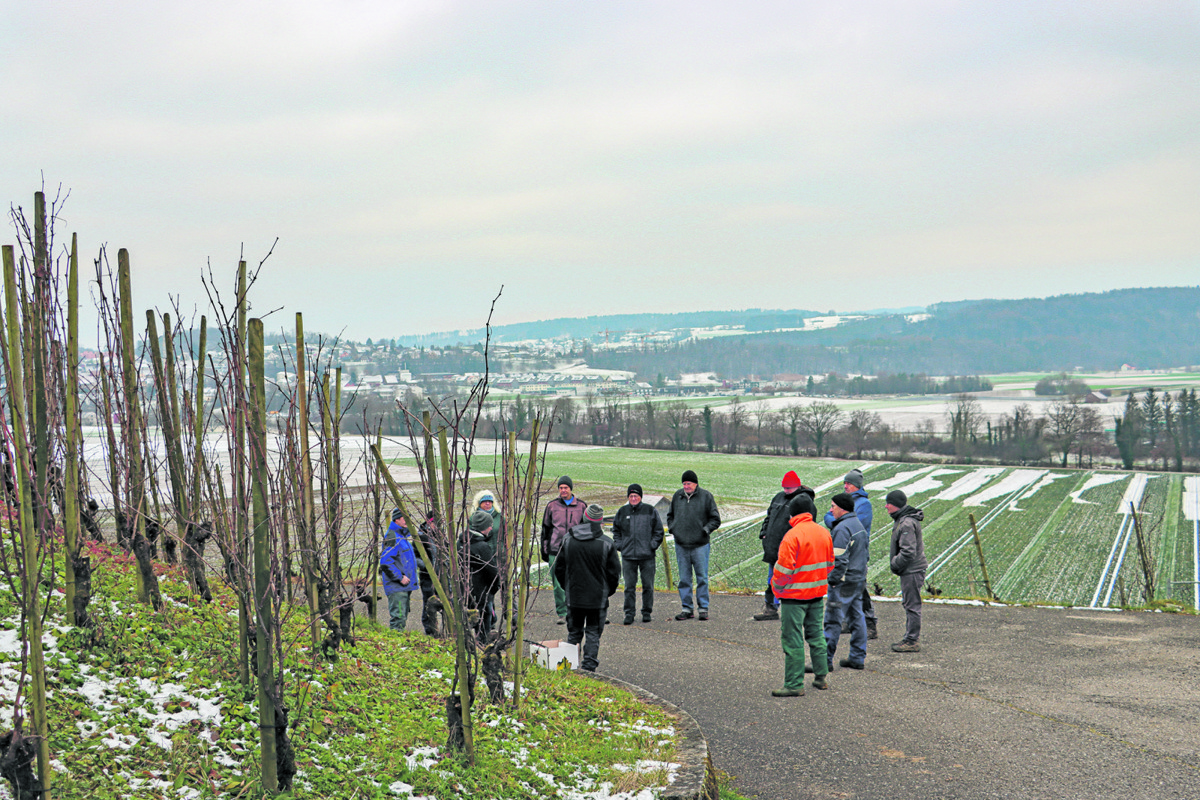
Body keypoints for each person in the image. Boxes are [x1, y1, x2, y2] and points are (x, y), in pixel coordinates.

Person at [770, 494, 834, 697]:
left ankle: (794, 684)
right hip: (816, 595)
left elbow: (782, 571)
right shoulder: (824, 533)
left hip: (793, 597)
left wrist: (776, 589)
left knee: (793, 640)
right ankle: (821, 677)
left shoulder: (792, 535)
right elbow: (830, 565)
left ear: (793, 513)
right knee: (816, 635)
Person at [553, 503, 621, 672]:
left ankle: (569, 667)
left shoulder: (568, 540)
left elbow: (559, 569)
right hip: (597, 599)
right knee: (593, 633)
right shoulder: (606, 543)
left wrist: (567, 588)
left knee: (574, 633)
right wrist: (607, 592)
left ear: (584, 518)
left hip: (574, 596)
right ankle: (589, 668)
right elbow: (614, 575)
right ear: (600, 522)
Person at [824, 468, 878, 639]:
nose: (845, 485)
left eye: (849, 483)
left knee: (859, 587)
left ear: (856, 485)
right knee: (845, 585)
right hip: (842, 547)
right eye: (845, 482)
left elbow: (855, 525)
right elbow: (827, 516)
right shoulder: (842, 501)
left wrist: (836, 522)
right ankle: (848, 621)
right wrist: (838, 521)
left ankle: (870, 623)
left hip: (857, 552)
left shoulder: (864, 504)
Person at [755, 470, 815, 621]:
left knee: (792, 581)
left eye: (789, 488)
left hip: (791, 549)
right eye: (785, 488)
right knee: (772, 580)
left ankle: (795, 611)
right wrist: (764, 532)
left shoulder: (804, 501)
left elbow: (807, 526)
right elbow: (769, 517)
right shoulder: (778, 498)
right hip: (773, 548)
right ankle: (771, 608)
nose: (786, 491)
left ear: (797, 486)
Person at [667, 469, 721, 621]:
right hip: (681, 545)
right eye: (684, 483)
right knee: (684, 579)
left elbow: (715, 519)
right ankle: (687, 608)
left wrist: (705, 530)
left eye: (688, 483)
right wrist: (673, 529)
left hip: (700, 545)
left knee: (702, 578)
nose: (686, 486)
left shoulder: (706, 497)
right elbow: (670, 516)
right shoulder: (677, 496)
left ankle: (703, 608)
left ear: (695, 483)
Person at [824, 493, 869, 670]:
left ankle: (825, 660)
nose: (830, 509)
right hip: (858, 579)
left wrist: (833, 580)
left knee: (833, 620)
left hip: (843, 582)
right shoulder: (857, 525)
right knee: (857, 617)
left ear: (842, 508)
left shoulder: (842, 529)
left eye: (833, 506)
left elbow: (840, 559)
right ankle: (857, 657)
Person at [612, 483, 664, 624]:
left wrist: (652, 546)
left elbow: (659, 531)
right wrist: (620, 545)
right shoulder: (622, 512)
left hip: (647, 556)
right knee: (629, 587)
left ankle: (646, 612)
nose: (633, 498)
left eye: (636, 496)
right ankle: (629, 613)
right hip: (628, 556)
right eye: (631, 496)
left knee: (648, 586)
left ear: (640, 497)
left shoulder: (650, 511)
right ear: (628, 497)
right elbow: (615, 531)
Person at [541, 476, 587, 624]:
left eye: (565, 487)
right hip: (556, 550)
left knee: (576, 582)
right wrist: (545, 550)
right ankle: (562, 612)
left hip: (574, 551)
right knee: (558, 584)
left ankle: (575, 609)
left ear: (571, 489)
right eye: (561, 488)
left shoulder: (581, 506)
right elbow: (546, 529)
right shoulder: (552, 506)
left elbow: (586, 529)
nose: (563, 490)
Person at [886, 489, 927, 653]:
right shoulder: (904, 520)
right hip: (911, 569)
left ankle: (912, 640)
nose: (886, 506)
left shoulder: (906, 523)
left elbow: (908, 552)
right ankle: (910, 638)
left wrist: (895, 563)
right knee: (910, 604)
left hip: (912, 570)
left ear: (895, 504)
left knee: (912, 605)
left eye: (888, 503)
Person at [380, 510, 418, 631]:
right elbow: (385, 562)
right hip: (397, 587)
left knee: (402, 618)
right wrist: (399, 577)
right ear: (397, 520)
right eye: (404, 518)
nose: (408, 521)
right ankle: (395, 646)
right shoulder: (393, 537)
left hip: (403, 587)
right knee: (398, 619)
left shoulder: (402, 537)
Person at [465, 510, 500, 637]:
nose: (491, 527)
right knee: (484, 622)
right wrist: (493, 589)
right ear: (484, 527)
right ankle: (483, 644)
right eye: (489, 525)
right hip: (482, 591)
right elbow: (492, 572)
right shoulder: (482, 547)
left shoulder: (461, 542)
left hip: (465, 590)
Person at [416, 511, 443, 636]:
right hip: (427, 576)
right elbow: (415, 558)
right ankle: (429, 629)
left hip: (440, 576)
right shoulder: (420, 537)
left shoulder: (440, 536)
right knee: (428, 602)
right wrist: (428, 567)